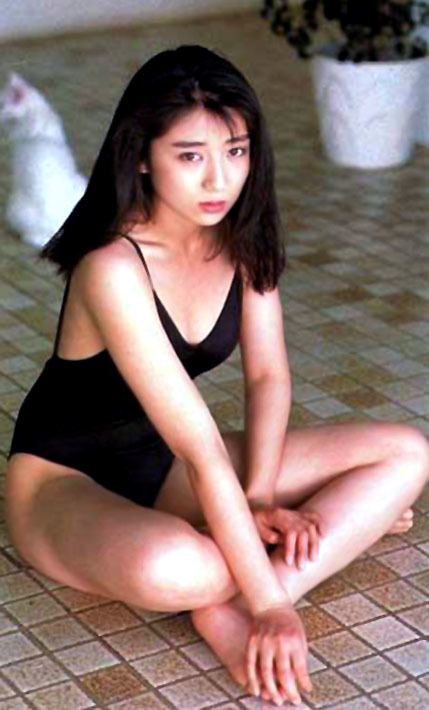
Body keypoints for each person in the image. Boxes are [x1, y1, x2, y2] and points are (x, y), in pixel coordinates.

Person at [4, 44, 428, 707]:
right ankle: (240, 579)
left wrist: (257, 501)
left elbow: (268, 378)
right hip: (64, 481)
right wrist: (272, 607)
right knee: (182, 568)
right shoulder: (112, 267)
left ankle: (232, 592)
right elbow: (201, 447)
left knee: (405, 453)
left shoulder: (241, 239)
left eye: (235, 151)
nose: (218, 181)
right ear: (142, 157)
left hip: (164, 461)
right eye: (190, 156)